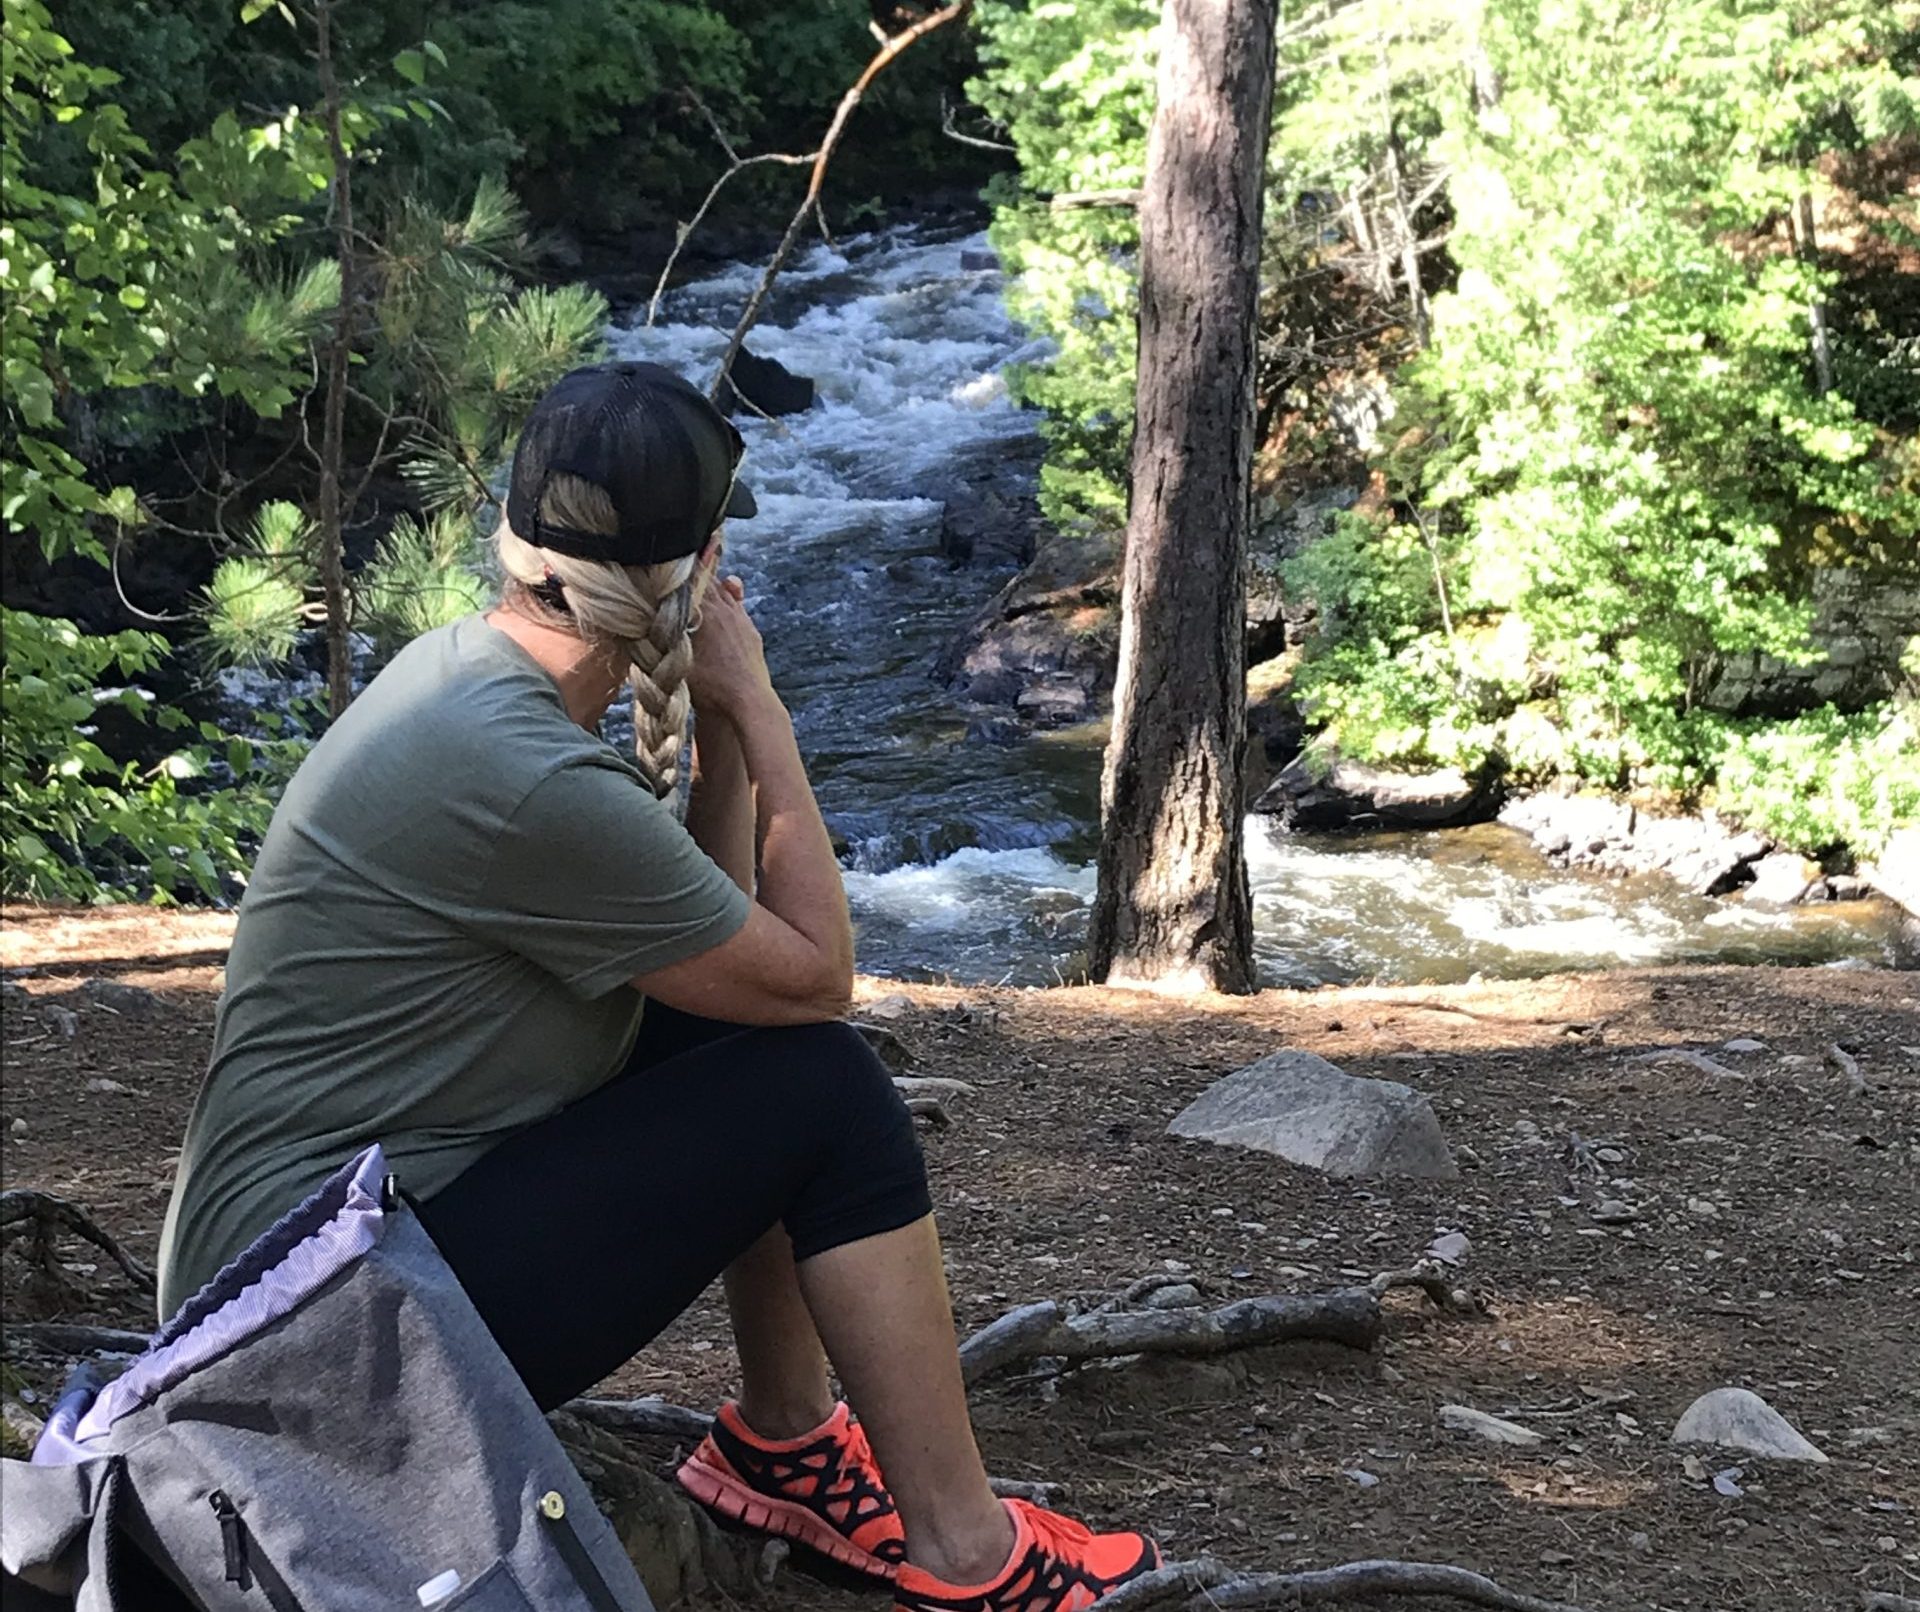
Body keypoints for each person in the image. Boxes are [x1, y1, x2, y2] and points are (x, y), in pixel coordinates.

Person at [156, 362, 1160, 1612]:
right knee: (827, 1092)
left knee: (715, 1035)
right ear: (693, 569)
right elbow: (813, 981)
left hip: (296, 1285)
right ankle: (967, 1555)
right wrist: (764, 709)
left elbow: (717, 949)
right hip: (321, 1348)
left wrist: (725, 734)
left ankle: (785, 1450)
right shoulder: (522, 775)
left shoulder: (470, 680)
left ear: (514, 541)